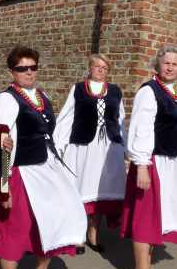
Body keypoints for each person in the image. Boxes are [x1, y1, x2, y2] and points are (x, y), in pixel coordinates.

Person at [0, 46, 87, 269]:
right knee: (15, 229)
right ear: (11, 71)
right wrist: (3, 185)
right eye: (22, 68)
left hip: (46, 169)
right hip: (21, 172)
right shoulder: (5, 100)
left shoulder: (43, 96)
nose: (28, 72)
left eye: (32, 67)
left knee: (53, 221)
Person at [121, 45, 177, 269]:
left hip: (171, 163)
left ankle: (148, 267)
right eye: (166, 63)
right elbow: (141, 129)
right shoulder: (149, 91)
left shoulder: (172, 92)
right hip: (154, 162)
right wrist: (142, 165)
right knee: (147, 218)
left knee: (159, 215)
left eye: (175, 64)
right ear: (158, 65)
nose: (170, 67)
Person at [53, 54, 126, 253]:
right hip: (83, 147)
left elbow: (120, 120)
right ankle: (77, 235)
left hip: (107, 148)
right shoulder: (78, 89)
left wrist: (124, 146)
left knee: (100, 191)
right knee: (80, 190)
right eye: (97, 66)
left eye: (105, 67)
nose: (101, 70)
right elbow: (67, 116)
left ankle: (93, 233)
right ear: (90, 68)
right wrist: (59, 144)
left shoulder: (115, 91)